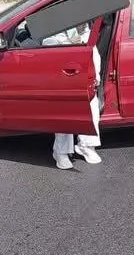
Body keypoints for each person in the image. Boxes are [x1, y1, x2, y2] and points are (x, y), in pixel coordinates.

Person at [42, 22, 103, 170]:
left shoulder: (83, 23)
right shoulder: (53, 21)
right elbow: (46, 43)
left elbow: (92, 48)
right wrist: (69, 42)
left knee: (91, 112)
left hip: (84, 74)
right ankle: (61, 151)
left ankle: (87, 146)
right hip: (62, 74)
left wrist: (96, 74)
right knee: (65, 113)